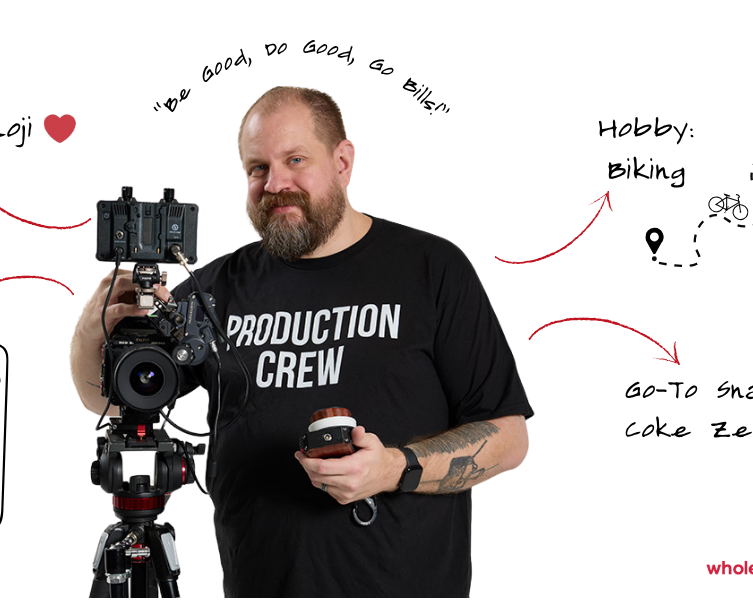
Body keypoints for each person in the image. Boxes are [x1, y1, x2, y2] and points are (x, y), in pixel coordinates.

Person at [68, 85, 532, 597]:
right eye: (257, 168)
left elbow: (511, 438)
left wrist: (393, 468)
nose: (275, 184)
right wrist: (90, 328)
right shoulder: (211, 288)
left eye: (294, 159)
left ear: (343, 162)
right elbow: (117, 404)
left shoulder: (431, 268)